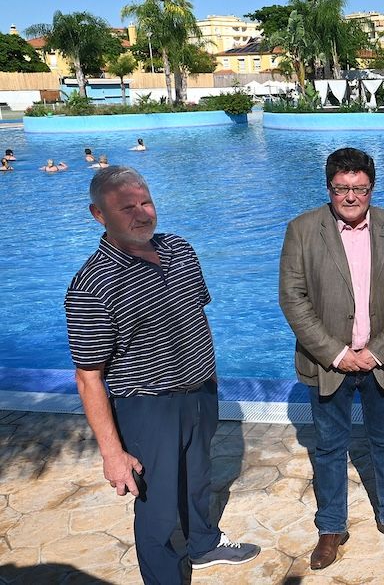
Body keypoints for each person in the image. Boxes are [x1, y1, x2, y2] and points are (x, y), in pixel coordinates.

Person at [64, 166, 259, 584]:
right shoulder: (91, 285)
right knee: (155, 508)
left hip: (200, 390)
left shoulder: (181, 250)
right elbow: (89, 377)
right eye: (126, 207)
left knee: (197, 478)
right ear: (99, 214)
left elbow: (195, 316)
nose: (141, 214)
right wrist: (112, 453)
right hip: (146, 407)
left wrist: (209, 379)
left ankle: (204, 545)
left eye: (145, 202)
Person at [279, 147, 384, 570]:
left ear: (371, 188)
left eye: (359, 188)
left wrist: (376, 350)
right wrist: (338, 353)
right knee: (328, 447)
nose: (351, 196)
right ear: (329, 188)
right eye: (342, 188)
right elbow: (293, 298)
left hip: (382, 359)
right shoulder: (303, 230)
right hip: (328, 363)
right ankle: (331, 526)